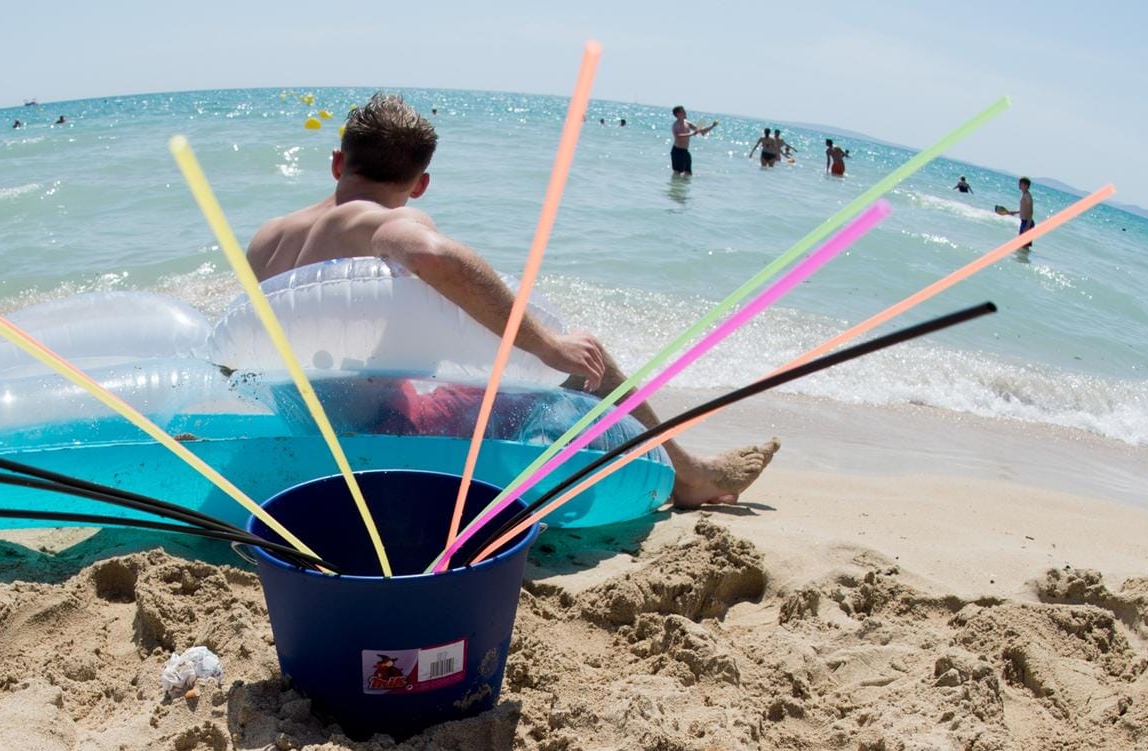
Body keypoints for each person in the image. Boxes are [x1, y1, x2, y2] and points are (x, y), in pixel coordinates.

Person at [246, 93, 777, 507]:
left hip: (307, 441)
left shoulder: (270, 236)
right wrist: (548, 346)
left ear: (338, 162)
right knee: (585, 355)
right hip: (385, 438)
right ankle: (690, 476)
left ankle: (684, 470)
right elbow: (434, 258)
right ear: (422, 183)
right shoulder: (380, 219)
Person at [668, 106, 718, 176]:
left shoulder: (687, 123)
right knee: (677, 172)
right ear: (677, 114)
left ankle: (684, 187)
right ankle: (674, 186)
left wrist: (712, 126)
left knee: (688, 173)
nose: (685, 112)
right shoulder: (675, 125)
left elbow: (701, 131)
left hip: (685, 151)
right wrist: (691, 134)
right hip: (677, 151)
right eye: (682, 111)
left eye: (684, 110)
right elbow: (678, 136)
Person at [996, 176, 1036, 248]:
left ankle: (1023, 259)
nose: (1019, 185)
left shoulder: (1028, 195)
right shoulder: (1024, 194)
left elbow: (1031, 211)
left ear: (1026, 185)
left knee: (1023, 246)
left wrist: (1027, 225)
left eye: (1021, 183)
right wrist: (1015, 212)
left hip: (1027, 223)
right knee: (1022, 246)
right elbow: (1024, 209)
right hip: (1024, 222)